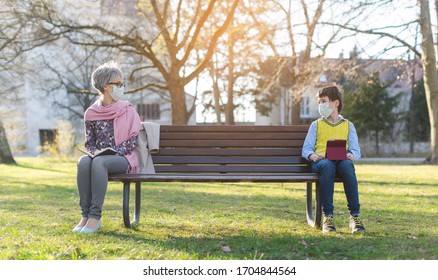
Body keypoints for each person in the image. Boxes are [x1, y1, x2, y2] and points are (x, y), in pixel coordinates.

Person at [73, 61, 142, 234]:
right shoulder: (91, 112)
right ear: (105, 87)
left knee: (99, 163)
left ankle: (95, 217)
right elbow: (90, 141)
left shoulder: (128, 110)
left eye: (122, 83)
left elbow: (134, 140)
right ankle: (85, 216)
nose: (122, 86)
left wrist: (114, 151)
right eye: (118, 84)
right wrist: (95, 152)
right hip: (100, 157)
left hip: (123, 158)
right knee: (83, 161)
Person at [302, 85, 366, 234]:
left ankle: (355, 216)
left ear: (336, 103)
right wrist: (312, 156)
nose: (320, 106)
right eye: (319, 102)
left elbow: (356, 150)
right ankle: (328, 216)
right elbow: (306, 148)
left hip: (341, 160)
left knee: (347, 166)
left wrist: (352, 155)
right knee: (327, 166)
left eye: (323, 101)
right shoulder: (316, 125)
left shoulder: (348, 125)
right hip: (321, 163)